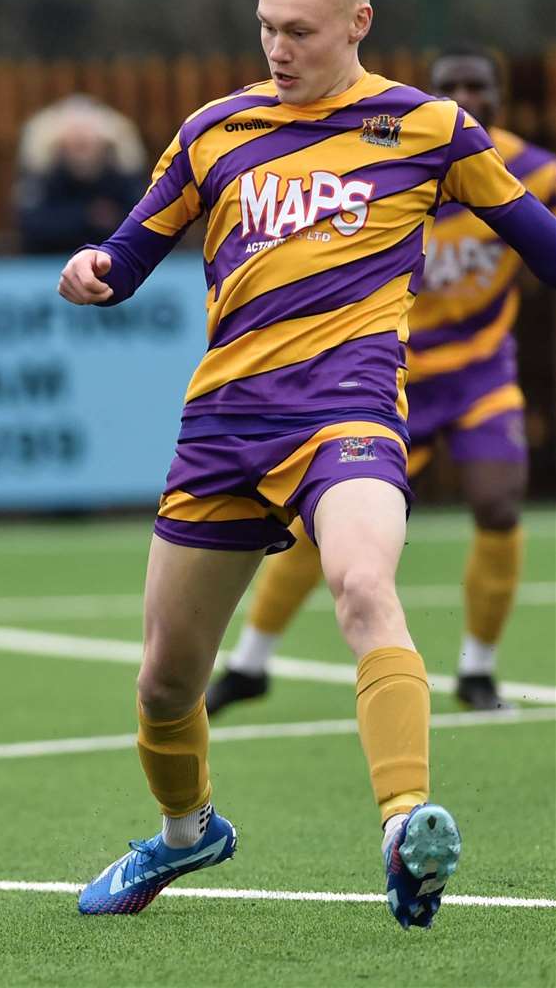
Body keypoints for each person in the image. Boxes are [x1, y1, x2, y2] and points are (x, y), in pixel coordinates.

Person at [57, 0, 556, 928]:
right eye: (265, 29)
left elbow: (540, 241)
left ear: (358, 23)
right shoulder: (214, 130)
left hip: (350, 413)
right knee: (163, 682)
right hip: (224, 428)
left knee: (364, 586)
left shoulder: (428, 129)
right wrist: (90, 275)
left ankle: (405, 830)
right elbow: (126, 255)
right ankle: (186, 833)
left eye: (298, 30)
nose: (276, 50)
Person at [208, 45, 555, 717]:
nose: (464, 95)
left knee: (498, 503)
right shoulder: (393, 158)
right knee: (324, 530)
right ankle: (250, 661)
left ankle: (477, 672)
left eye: (476, 85)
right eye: (449, 86)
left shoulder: (527, 173)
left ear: (497, 97)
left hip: (480, 373)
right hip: (387, 378)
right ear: (432, 96)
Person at [15, 95, 149, 254]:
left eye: (87, 144)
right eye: (75, 144)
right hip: (49, 261)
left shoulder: (121, 175)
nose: (82, 153)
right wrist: (87, 217)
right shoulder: (44, 177)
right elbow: (32, 226)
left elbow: (144, 223)